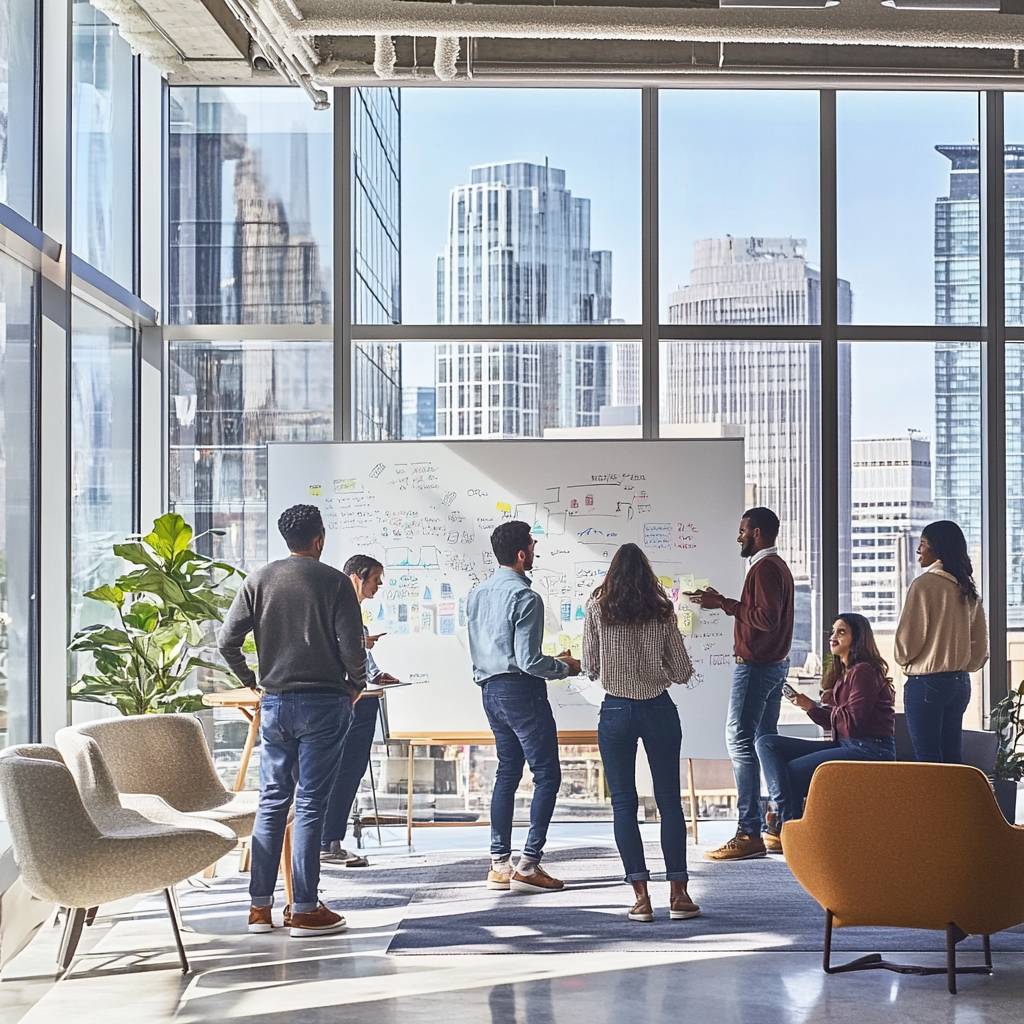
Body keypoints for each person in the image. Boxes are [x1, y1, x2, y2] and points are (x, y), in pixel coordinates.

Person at [218, 504, 367, 937]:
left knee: (271, 802)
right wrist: (355, 685)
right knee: (309, 804)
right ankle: (303, 907)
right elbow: (352, 647)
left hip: (277, 705)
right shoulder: (335, 582)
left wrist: (253, 682)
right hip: (324, 703)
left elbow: (227, 641)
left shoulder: (258, 580)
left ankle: (259, 909)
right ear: (319, 539)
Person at [582, 543, 701, 923]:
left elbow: (589, 666)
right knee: (669, 801)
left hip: (615, 710)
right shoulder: (663, 609)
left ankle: (641, 898)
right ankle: (679, 895)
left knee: (623, 804)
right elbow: (682, 670)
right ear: (647, 573)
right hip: (659, 709)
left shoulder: (597, 607)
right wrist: (657, 672)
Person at [468, 520, 581, 894]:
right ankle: (529, 865)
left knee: (507, 772)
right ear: (521, 554)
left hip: (489, 691)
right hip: (522, 692)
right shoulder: (526, 598)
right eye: (532, 546)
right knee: (547, 775)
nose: (534, 552)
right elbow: (530, 661)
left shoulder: (478, 593)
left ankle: (499, 865)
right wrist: (566, 666)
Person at [688, 507, 794, 861]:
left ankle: (748, 831)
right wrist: (725, 602)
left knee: (740, 741)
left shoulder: (764, 569)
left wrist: (723, 604)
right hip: (773, 666)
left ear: (758, 533)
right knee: (765, 741)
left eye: (743, 530)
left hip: (757, 668)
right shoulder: (774, 567)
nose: (739, 536)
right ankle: (777, 825)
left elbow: (764, 618)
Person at [755, 614, 896, 842]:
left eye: (842, 632)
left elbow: (853, 723)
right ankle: (787, 820)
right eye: (833, 632)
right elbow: (837, 722)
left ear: (857, 639)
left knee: (787, 772)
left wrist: (830, 705)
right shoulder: (846, 674)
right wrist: (810, 707)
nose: (833, 637)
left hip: (869, 750)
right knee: (767, 743)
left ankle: (788, 824)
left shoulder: (863, 672)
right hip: (848, 744)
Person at [321, 554, 403, 867]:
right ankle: (327, 842)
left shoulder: (351, 608)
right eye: (376, 579)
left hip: (359, 699)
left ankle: (331, 840)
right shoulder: (335, 602)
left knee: (349, 774)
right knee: (341, 774)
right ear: (359, 575)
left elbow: (355, 654)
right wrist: (358, 646)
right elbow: (335, 648)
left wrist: (374, 673)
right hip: (346, 701)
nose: (379, 586)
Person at [894, 520, 988, 763]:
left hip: (927, 683)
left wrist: (904, 660)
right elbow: (979, 643)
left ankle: (930, 803)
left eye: (923, 544)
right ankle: (953, 802)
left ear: (937, 549)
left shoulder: (924, 585)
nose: (919, 551)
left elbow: (908, 642)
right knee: (952, 757)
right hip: (960, 683)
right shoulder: (968, 588)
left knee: (927, 759)